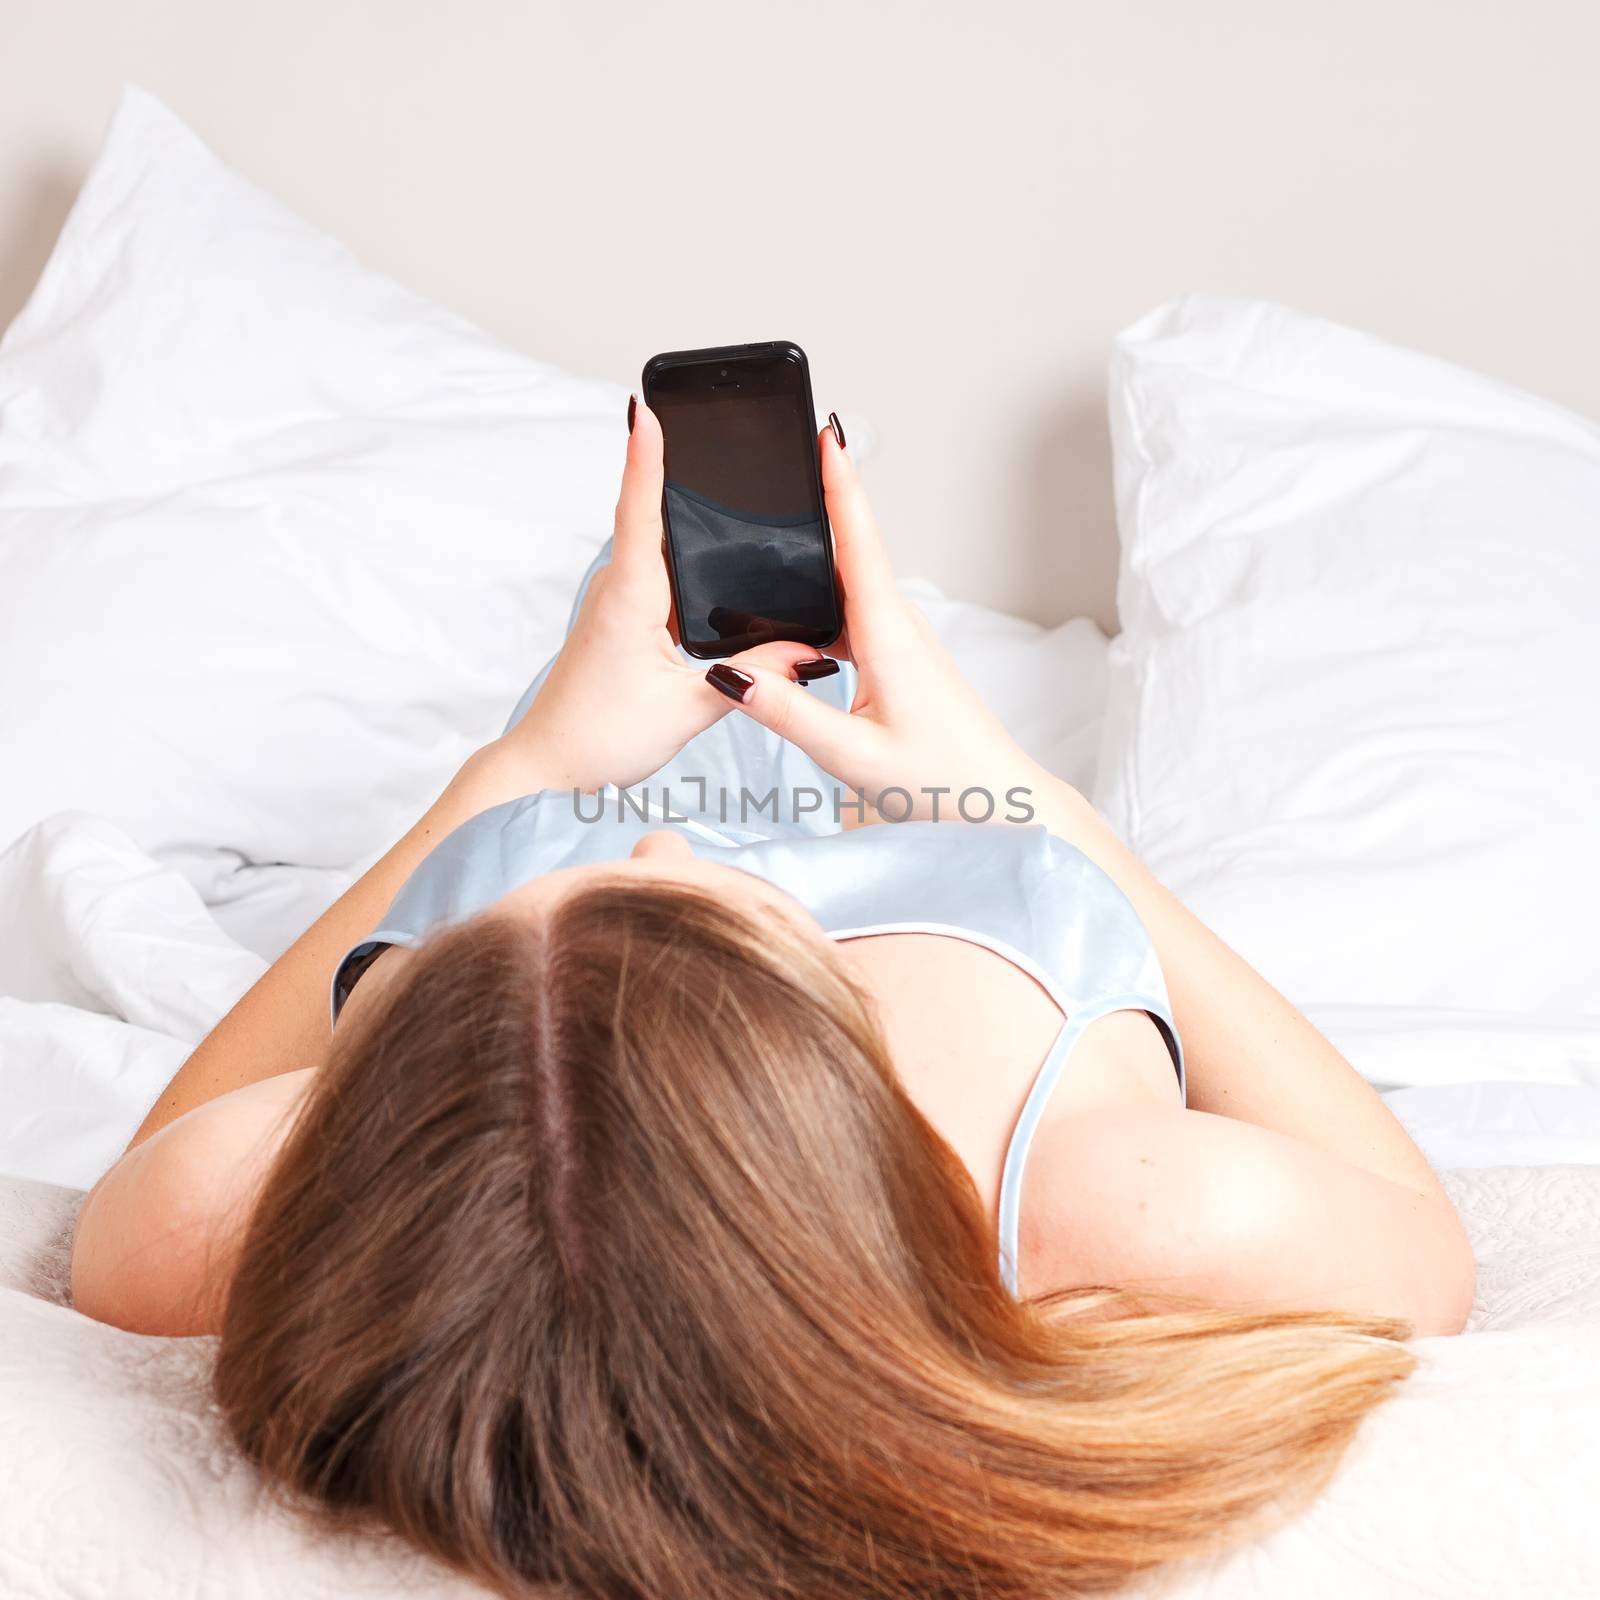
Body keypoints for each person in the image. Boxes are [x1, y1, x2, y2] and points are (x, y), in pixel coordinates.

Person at [71, 398, 1475, 1600]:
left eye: (591, 873)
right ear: (822, 1057)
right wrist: (1012, 795)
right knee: (793, 613)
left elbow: (148, 1170)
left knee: (641, 605)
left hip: (568, 782)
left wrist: (524, 778)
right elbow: (1422, 1242)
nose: (659, 836)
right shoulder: (1107, 1203)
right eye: (699, 894)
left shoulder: (236, 1216)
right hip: (965, 836)